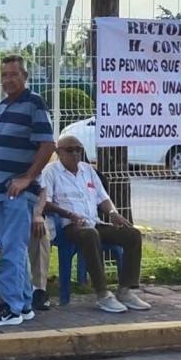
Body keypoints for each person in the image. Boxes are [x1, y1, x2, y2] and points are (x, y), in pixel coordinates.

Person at [0, 55, 56, 328]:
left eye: (13, 74)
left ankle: (10, 307)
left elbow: (48, 145)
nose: (8, 80)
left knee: (11, 248)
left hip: (17, 190)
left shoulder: (34, 103)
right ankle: (23, 303)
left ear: (25, 76)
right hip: (2, 189)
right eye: (4, 75)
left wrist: (27, 178)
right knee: (12, 247)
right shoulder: (2, 106)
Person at [42, 134, 150, 313]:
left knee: (132, 234)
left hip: (93, 222)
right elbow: (45, 203)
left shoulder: (87, 170)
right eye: (70, 150)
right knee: (90, 235)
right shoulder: (50, 172)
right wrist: (69, 214)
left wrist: (113, 213)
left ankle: (125, 291)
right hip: (68, 226)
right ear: (58, 152)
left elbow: (102, 197)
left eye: (79, 149)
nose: (75, 154)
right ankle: (102, 294)